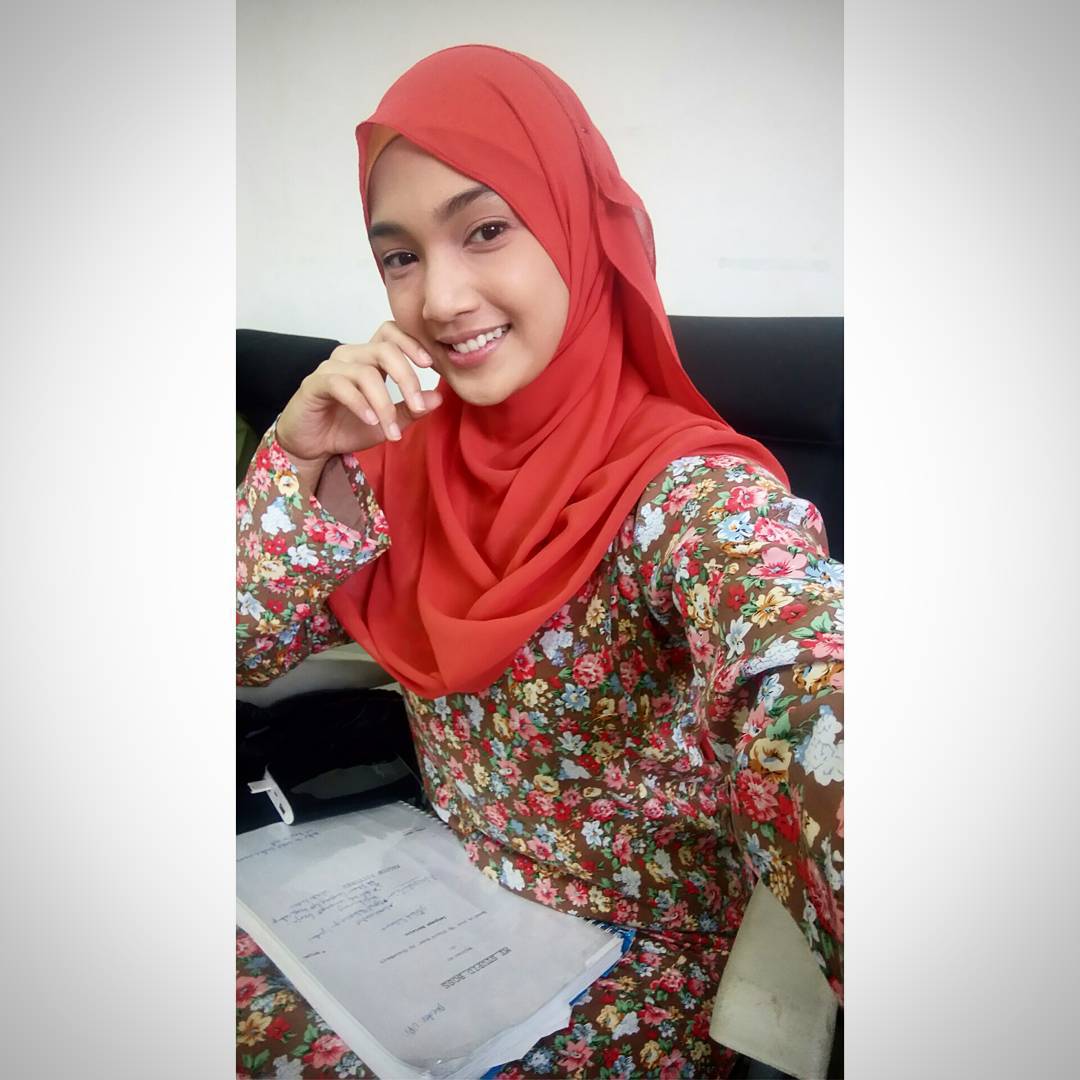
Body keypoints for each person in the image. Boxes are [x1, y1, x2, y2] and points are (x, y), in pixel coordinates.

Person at [236, 44, 843, 1079]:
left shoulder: (684, 492)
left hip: (640, 954)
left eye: (485, 230)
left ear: (578, 227)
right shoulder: (397, 455)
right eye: (400, 256)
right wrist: (299, 460)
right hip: (432, 889)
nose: (439, 297)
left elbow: (799, 668)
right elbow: (244, 649)